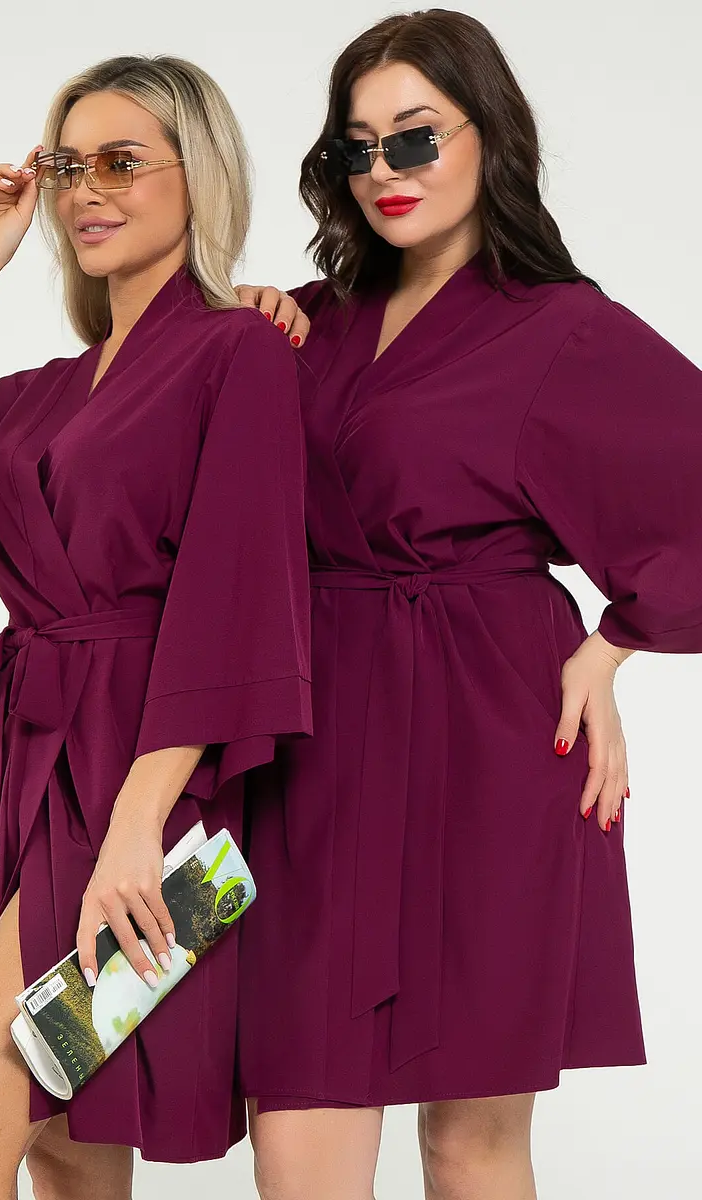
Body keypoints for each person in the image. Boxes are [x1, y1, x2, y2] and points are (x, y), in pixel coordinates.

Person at [235, 10, 702, 1199]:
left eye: (414, 137)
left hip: (490, 738)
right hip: (310, 741)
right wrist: (232, 344)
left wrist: (612, 645)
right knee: (299, 1118)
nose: (381, 171)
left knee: (470, 1139)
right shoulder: (306, 322)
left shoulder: (562, 328)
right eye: (355, 148)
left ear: (488, 134)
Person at [0, 53, 311, 1198]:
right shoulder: (35, 396)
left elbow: (235, 596)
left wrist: (141, 826)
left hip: (136, 790)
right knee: (68, 1152)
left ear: (199, 174)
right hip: (18, 773)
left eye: (122, 162)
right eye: (68, 165)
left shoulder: (237, 351)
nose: (88, 189)